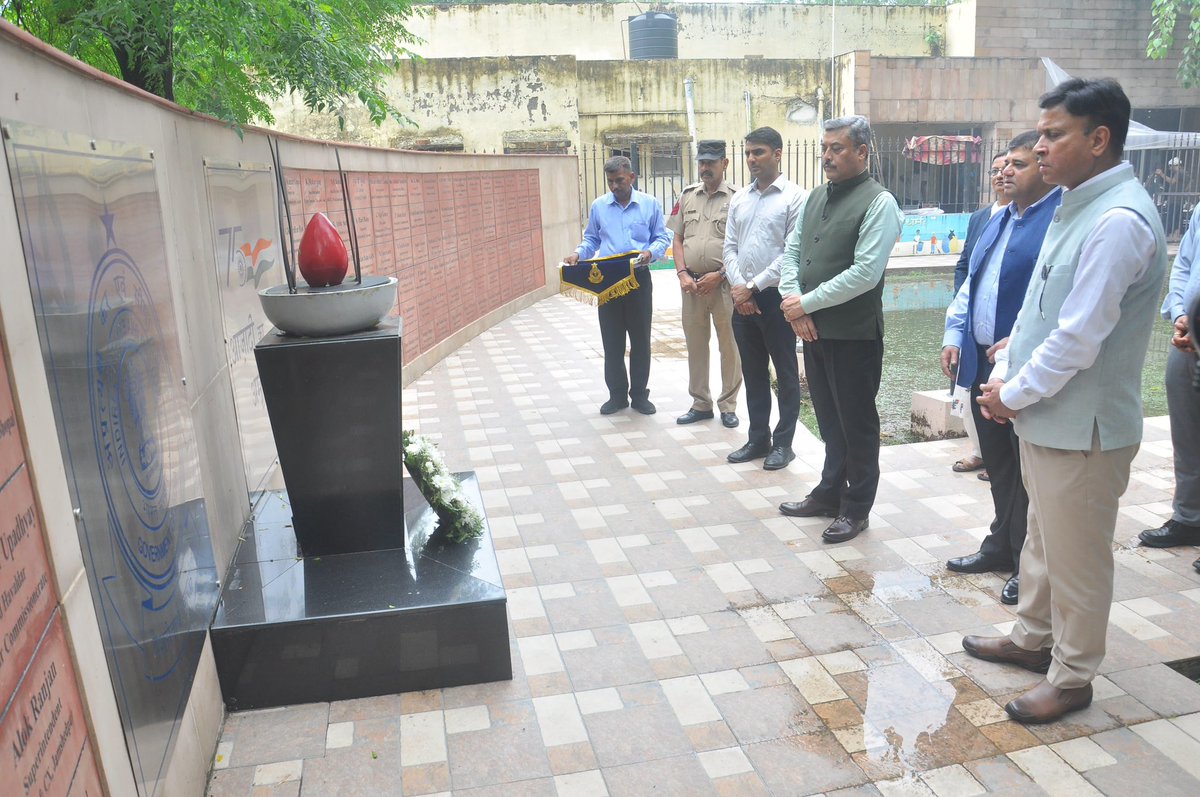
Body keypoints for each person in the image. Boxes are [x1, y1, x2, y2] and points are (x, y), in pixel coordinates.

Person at [968, 78, 1168, 724]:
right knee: (1042, 543)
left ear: (1099, 138)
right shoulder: (1075, 201)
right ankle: (1032, 637)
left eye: (1055, 134)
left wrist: (1011, 391)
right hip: (1047, 417)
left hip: (1084, 428)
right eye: (1042, 132)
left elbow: (1079, 335)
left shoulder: (1118, 221)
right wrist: (1011, 356)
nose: (1040, 146)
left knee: (1078, 558)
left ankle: (1073, 674)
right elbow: (1042, 304)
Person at [941, 131, 1062, 606]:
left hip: (1022, 369)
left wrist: (1014, 365)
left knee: (1026, 469)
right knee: (998, 463)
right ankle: (1000, 543)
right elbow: (971, 283)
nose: (1006, 171)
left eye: (1019, 163)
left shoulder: (1057, 220)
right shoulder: (997, 219)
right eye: (1005, 163)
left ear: (1043, 167)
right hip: (980, 355)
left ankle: (1024, 558)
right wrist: (955, 335)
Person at [776, 115, 903, 543]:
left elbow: (866, 273)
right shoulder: (815, 198)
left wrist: (804, 303)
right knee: (829, 420)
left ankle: (856, 507)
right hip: (813, 330)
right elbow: (793, 252)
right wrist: (795, 307)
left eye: (837, 148)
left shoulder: (879, 203)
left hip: (854, 335)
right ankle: (829, 492)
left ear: (862, 152)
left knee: (857, 424)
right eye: (825, 148)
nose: (826, 156)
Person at [722, 127, 806, 470]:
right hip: (742, 300)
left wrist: (752, 286)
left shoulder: (795, 197)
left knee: (785, 373)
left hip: (775, 299)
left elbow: (791, 253)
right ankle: (758, 438)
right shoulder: (740, 198)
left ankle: (783, 444)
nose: (752, 159)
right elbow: (728, 247)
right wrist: (740, 288)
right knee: (753, 372)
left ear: (778, 153)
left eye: (758, 152)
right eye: (748, 153)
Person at [565, 156, 670, 415]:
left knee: (640, 340)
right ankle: (617, 395)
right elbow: (591, 238)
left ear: (631, 177)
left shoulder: (649, 204)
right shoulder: (599, 206)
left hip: (638, 278)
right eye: (610, 181)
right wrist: (579, 253)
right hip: (608, 282)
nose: (614, 186)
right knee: (612, 341)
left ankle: (640, 396)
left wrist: (650, 253)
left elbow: (662, 237)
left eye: (619, 180)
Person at [1138, 202, 1200, 564]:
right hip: (1187, 338)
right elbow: (1185, 267)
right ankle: (1189, 517)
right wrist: (1181, 314)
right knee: (1187, 434)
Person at [667, 140, 742, 428]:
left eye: (711, 162)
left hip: (723, 284)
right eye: (702, 162)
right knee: (696, 345)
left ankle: (728, 405)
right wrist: (682, 273)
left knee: (729, 347)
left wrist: (721, 275)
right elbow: (677, 237)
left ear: (724, 163)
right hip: (692, 286)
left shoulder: (738, 198)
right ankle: (700, 403)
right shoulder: (687, 196)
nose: (705, 168)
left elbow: (742, 244)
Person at [952, 153, 1010, 478]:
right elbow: (965, 265)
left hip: (1003, 331)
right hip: (972, 324)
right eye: (995, 170)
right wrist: (963, 302)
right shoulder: (979, 218)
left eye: (1008, 169)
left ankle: (998, 457)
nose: (1001, 175)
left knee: (997, 389)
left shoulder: (1026, 218)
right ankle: (981, 450)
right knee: (969, 388)